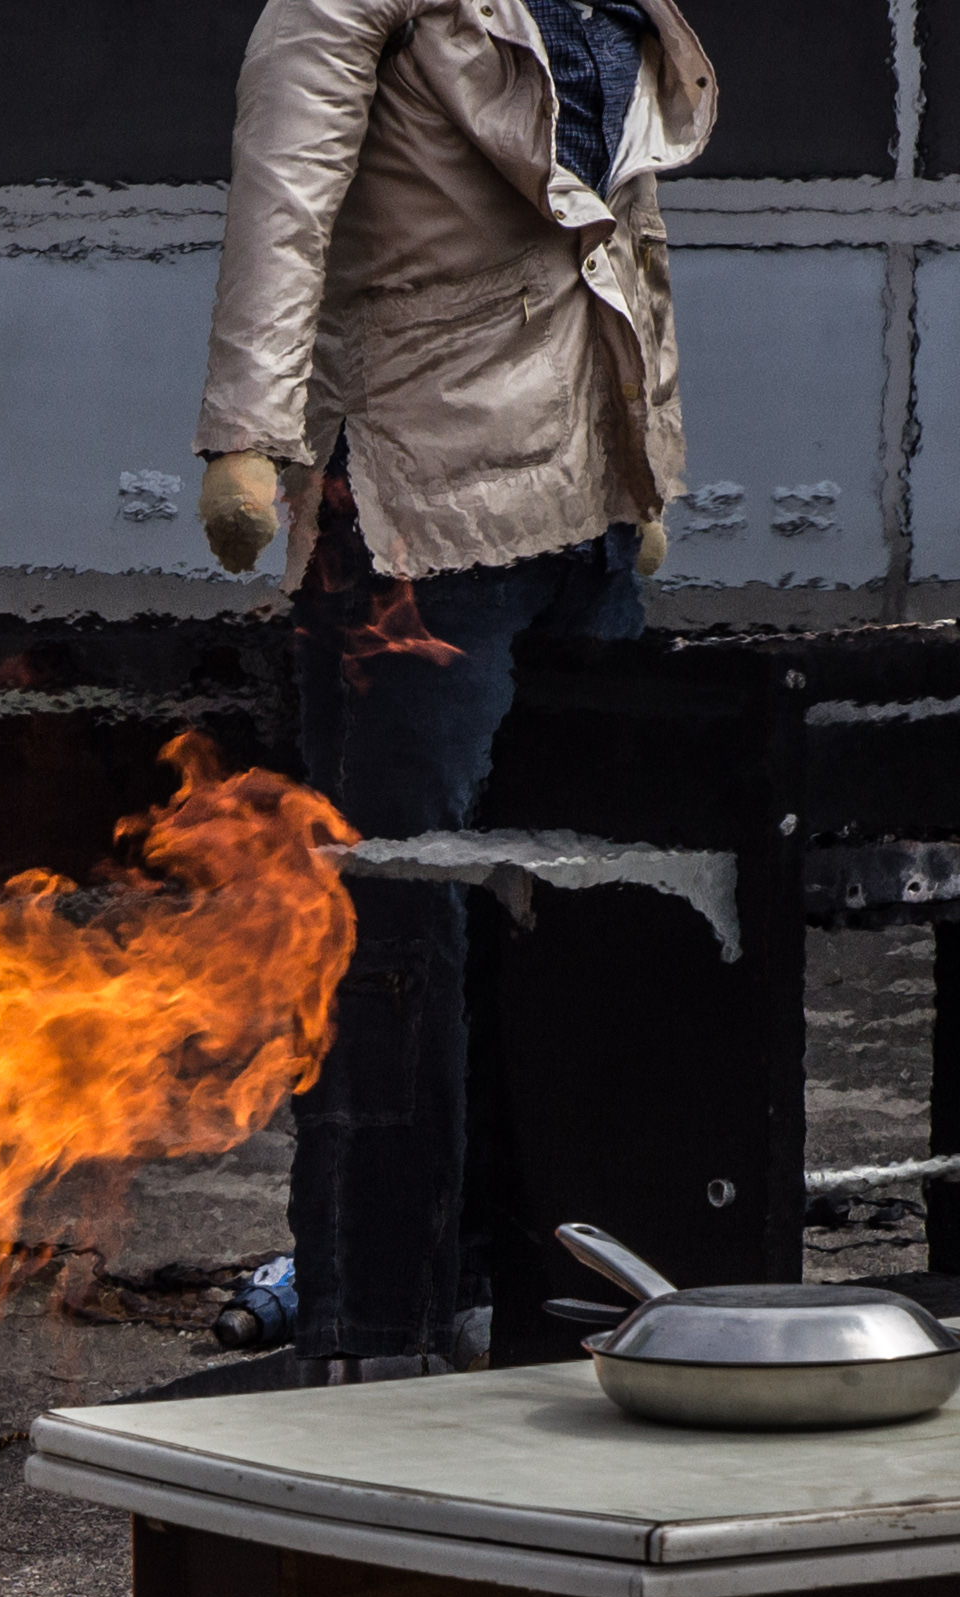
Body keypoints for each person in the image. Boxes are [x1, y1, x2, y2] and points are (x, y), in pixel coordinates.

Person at [195, 0, 716, 1380]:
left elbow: (634, 246)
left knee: (579, 913)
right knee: (397, 920)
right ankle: (375, 1318)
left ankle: (541, 1288)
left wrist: (651, 462)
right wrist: (247, 435)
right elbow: (284, 203)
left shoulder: (609, 8)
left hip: (582, 505)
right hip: (419, 507)